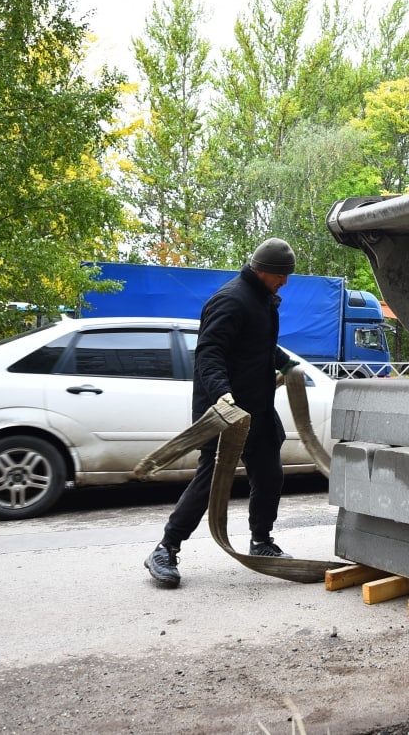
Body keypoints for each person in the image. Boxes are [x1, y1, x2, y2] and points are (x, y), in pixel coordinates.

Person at [144, 238, 297, 588]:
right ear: (263, 270)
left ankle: (261, 542)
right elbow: (210, 352)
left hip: (256, 407)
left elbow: (255, 344)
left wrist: (285, 363)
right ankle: (165, 549)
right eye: (281, 275)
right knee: (211, 483)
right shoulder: (230, 299)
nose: (285, 282)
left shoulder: (261, 300)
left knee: (270, 474)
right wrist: (222, 395)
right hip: (225, 410)